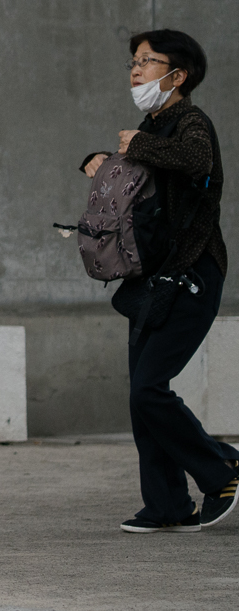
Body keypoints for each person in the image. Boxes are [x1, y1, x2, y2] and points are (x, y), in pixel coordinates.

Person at [82, 29, 239, 534]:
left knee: (150, 389)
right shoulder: (153, 125)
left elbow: (196, 161)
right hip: (152, 279)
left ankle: (223, 471)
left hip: (193, 272)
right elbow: (143, 181)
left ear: (178, 76)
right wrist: (97, 160)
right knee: (142, 397)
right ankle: (168, 505)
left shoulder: (191, 122)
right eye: (134, 61)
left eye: (148, 61)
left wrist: (140, 144)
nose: (136, 69)